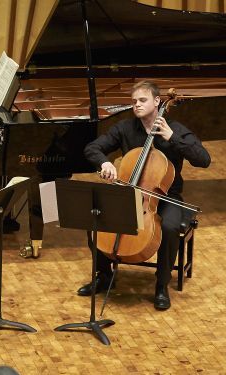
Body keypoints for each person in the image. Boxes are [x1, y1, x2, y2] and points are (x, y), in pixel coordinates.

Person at [80, 81, 211, 310]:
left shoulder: (176, 129)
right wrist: (105, 163)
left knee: (170, 227)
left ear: (157, 101)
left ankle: (161, 285)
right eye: (133, 101)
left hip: (167, 197)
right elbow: (92, 148)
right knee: (96, 215)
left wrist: (172, 138)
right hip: (129, 194)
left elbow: (203, 160)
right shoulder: (125, 128)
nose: (137, 105)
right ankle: (103, 275)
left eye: (142, 100)